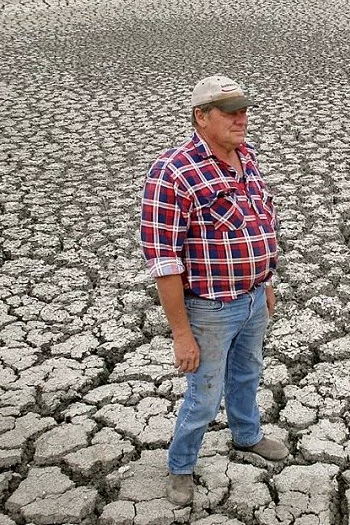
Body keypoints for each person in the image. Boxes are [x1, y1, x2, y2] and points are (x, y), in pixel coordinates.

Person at [139, 75, 287, 506]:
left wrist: (266, 283)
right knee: (204, 395)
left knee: (247, 375)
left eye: (244, 110)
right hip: (210, 308)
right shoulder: (173, 171)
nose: (241, 118)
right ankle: (181, 465)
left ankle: (247, 436)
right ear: (201, 117)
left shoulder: (248, 157)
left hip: (253, 298)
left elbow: (262, 222)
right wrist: (181, 333)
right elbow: (164, 261)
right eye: (230, 111)